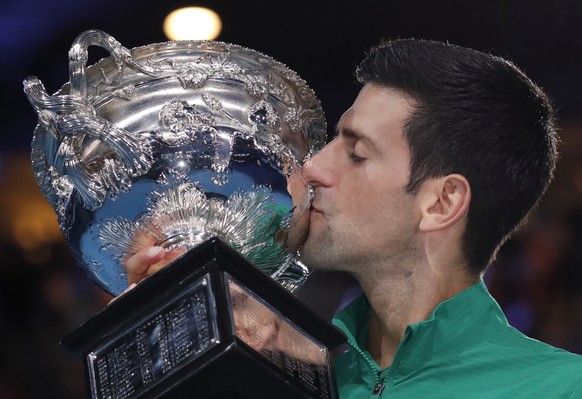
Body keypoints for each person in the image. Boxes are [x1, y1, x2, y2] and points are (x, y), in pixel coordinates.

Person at [123, 38, 582, 398]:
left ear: (441, 203)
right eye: (333, 142)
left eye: (357, 153)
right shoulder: (288, 366)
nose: (314, 168)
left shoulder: (560, 388)